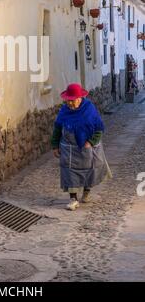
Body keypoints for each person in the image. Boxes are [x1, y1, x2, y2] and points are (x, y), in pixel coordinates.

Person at [51, 83, 111, 211]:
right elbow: (57, 128)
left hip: (87, 147)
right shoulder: (64, 111)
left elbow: (99, 129)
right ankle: (73, 199)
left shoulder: (89, 109)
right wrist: (55, 145)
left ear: (79, 98)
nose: (70, 104)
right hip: (69, 148)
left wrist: (91, 142)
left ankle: (86, 192)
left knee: (90, 170)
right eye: (68, 101)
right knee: (69, 172)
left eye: (72, 101)